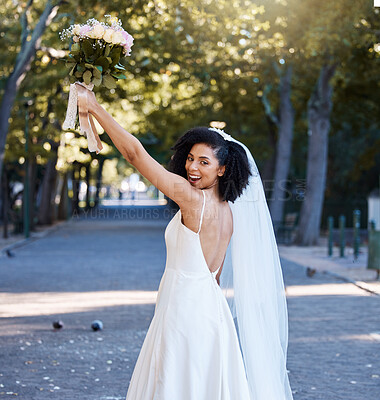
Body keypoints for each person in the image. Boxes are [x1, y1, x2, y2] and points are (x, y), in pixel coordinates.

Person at [75, 84, 293, 400]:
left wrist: (94, 107)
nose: (192, 167)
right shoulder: (229, 213)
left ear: (223, 169)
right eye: (190, 158)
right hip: (210, 311)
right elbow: (214, 276)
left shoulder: (193, 202)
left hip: (185, 311)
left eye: (204, 162)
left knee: (176, 385)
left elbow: (134, 154)